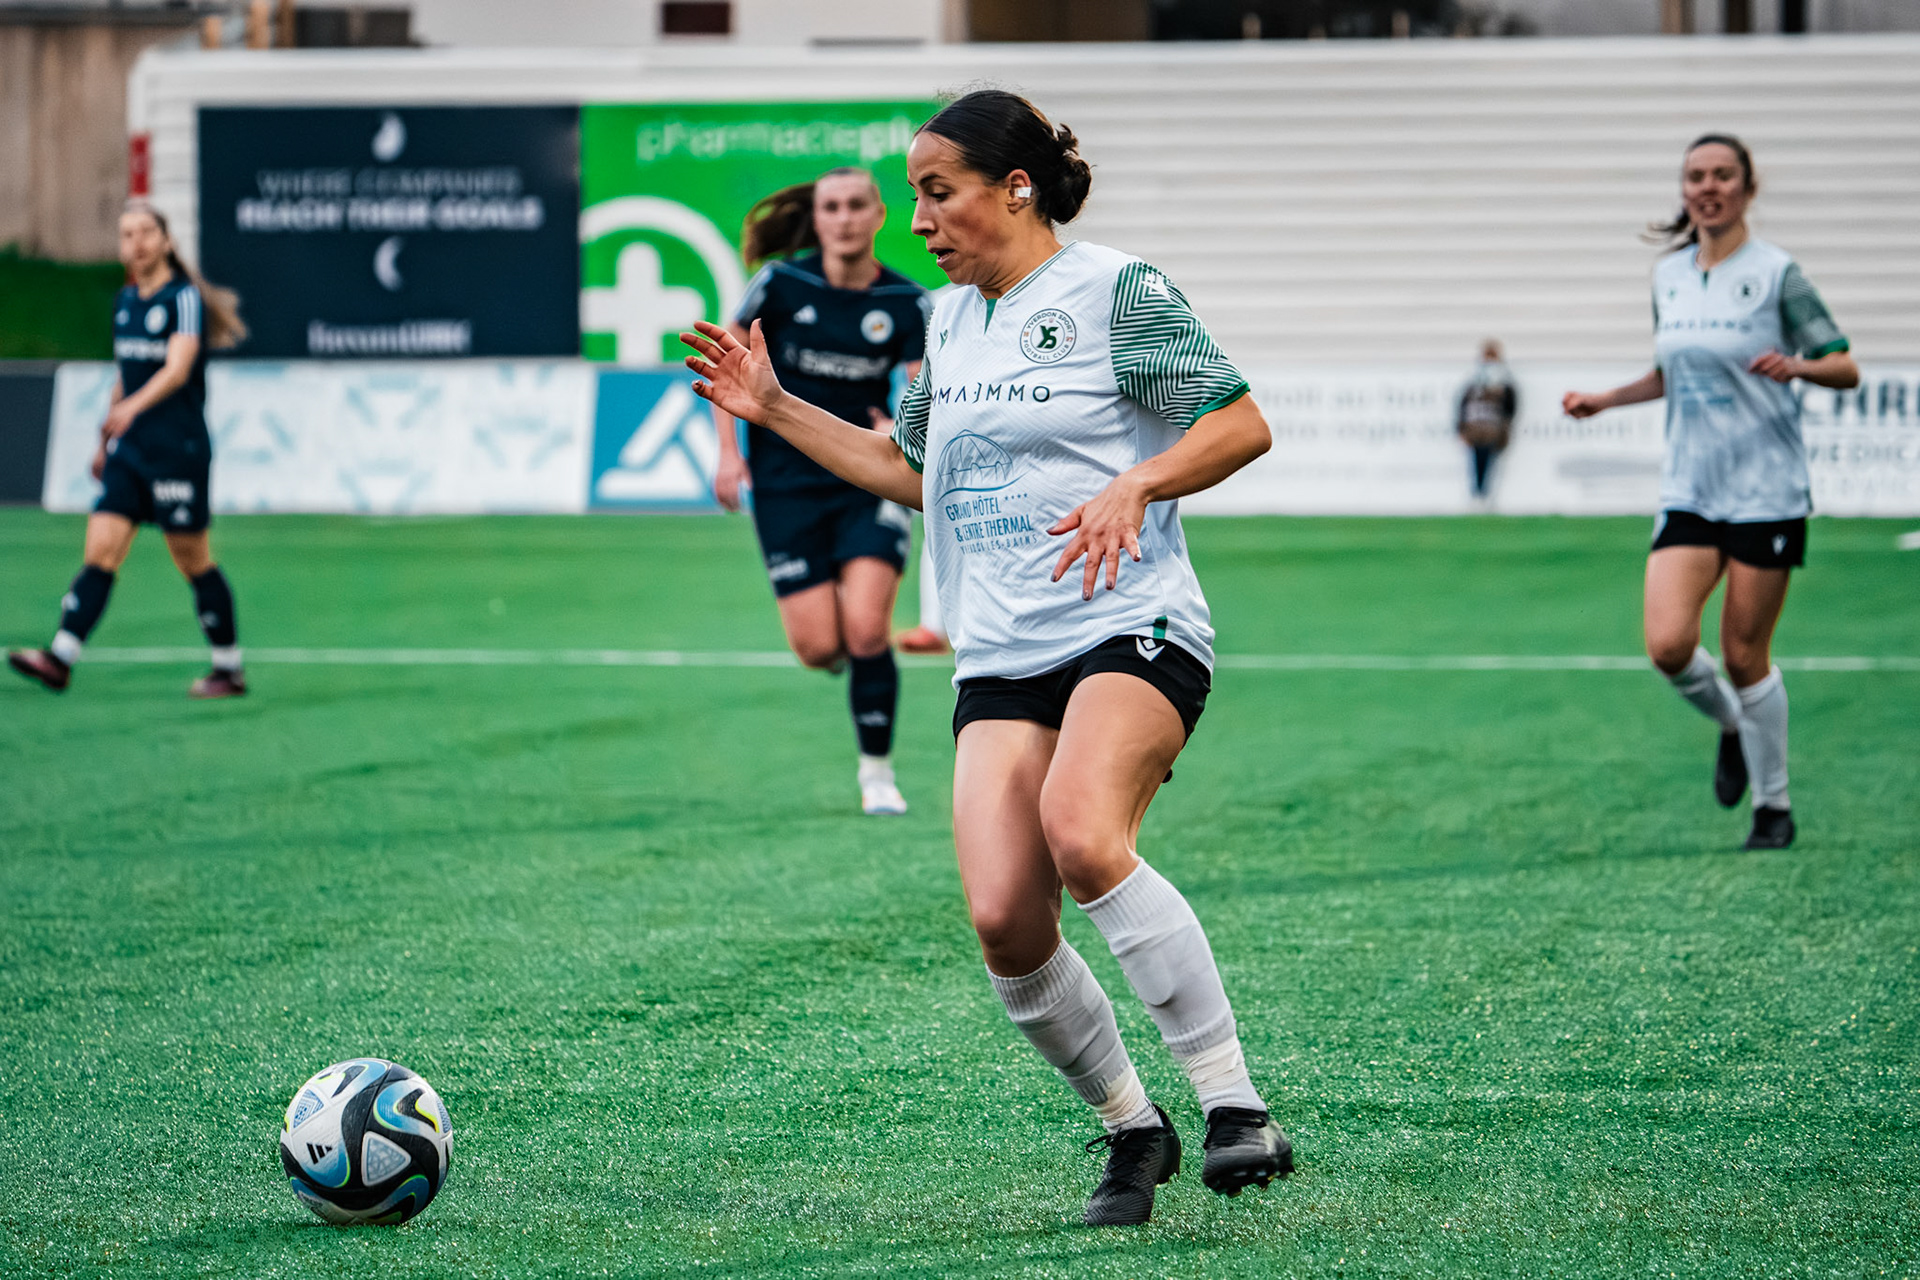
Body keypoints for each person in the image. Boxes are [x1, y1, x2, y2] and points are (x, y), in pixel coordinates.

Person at [683, 89, 1292, 1227]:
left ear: (1015, 189)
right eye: (912, 196)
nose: (917, 220)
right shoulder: (949, 321)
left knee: (1082, 832)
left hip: (1130, 622)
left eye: (937, 192)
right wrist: (773, 406)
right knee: (1007, 921)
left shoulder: (1117, 289)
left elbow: (1241, 422)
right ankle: (1132, 1126)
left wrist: (1139, 481)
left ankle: (1234, 1103)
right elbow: (909, 471)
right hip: (1001, 654)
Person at [1563, 134, 1858, 850]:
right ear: (1685, 189)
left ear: (1748, 188)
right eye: (1697, 176)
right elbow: (1672, 372)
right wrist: (1607, 399)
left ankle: (1773, 808)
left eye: (1723, 175)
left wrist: (1798, 367)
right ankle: (1732, 724)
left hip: (1767, 491)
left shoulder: (1778, 274)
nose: (1709, 187)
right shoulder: (1669, 276)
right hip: (1691, 488)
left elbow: (1843, 365)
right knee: (1668, 646)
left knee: (1744, 655)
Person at [710, 167, 931, 816]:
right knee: (819, 649)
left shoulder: (907, 301)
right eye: (831, 207)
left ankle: (877, 775)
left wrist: (905, 428)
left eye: (857, 205)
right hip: (786, 484)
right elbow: (727, 367)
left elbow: (927, 391)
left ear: (879, 215)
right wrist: (729, 454)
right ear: (818, 218)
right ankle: (836, 644)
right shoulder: (781, 283)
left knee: (866, 632)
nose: (844, 217)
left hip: (868, 479)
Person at [9, 201, 249, 698]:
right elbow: (128, 374)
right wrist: (106, 439)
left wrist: (131, 409)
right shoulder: (125, 301)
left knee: (193, 560)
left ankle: (228, 668)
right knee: (100, 552)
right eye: (127, 234)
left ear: (166, 241)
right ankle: (60, 658)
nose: (136, 243)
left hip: (177, 450)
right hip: (131, 451)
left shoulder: (183, 299)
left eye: (145, 232)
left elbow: (176, 370)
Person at [1456, 338, 1516, 503]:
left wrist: (1506, 428)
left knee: (1492, 465)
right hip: (1475, 429)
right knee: (1475, 464)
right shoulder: (1474, 380)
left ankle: (1488, 497)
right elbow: (1463, 405)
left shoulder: (1504, 381)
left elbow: (1510, 408)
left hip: (1493, 430)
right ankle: (1476, 496)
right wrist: (1461, 429)